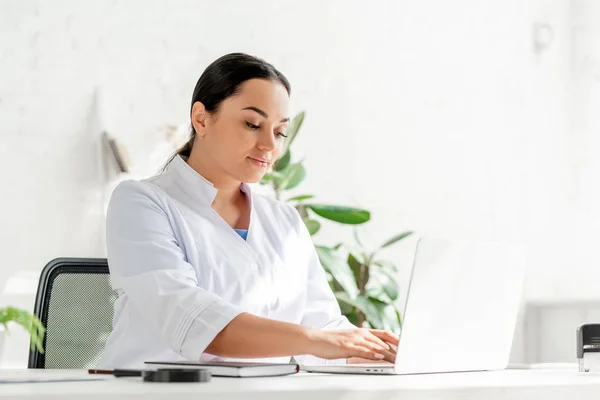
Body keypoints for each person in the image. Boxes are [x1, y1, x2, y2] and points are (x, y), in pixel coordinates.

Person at [100, 53, 398, 369]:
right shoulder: (141, 202)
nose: (270, 145)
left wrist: (377, 351)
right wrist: (319, 340)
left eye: (280, 131)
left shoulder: (284, 221)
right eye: (252, 124)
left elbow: (323, 326)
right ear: (201, 119)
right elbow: (193, 321)